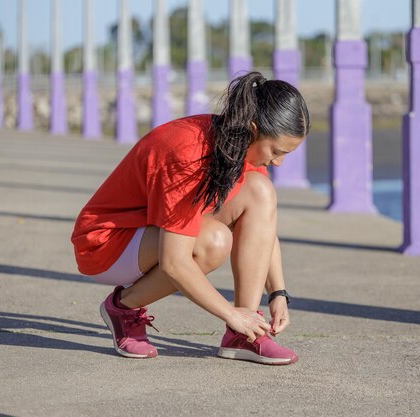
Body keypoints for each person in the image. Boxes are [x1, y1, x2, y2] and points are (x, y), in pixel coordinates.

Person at [71, 71, 309, 365]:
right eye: (276, 151)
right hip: (105, 243)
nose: (278, 161)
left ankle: (245, 337)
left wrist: (278, 292)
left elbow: (263, 226)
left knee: (262, 191)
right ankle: (123, 308)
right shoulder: (187, 151)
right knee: (213, 242)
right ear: (253, 129)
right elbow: (174, 262)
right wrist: (230, 314)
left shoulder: (240, 145)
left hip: (148, 233)